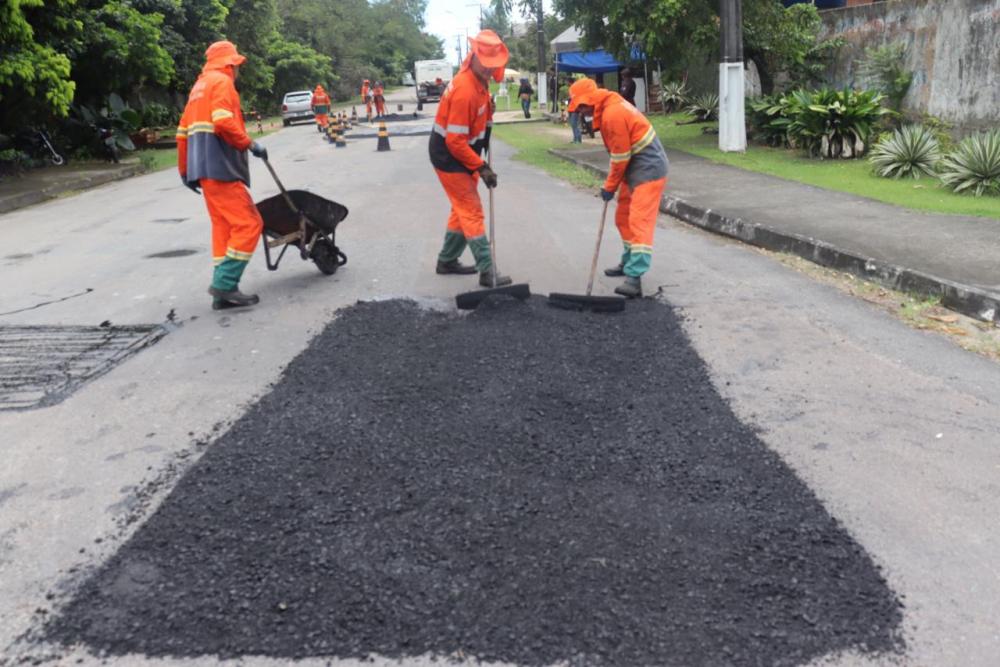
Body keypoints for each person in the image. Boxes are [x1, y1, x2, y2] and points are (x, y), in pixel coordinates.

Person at [176, 40, 269, 310]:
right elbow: (224, 121)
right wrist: (251, 144)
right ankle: (225, 285)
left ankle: (222, 297)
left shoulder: (198, 88)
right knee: (249, 224)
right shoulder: (221, 83)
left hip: (203, 172)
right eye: (237, 65)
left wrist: (185, 171)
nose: (238, 70)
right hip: (221, 169)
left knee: (224, 229)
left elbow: (181, 133)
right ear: (230, 64)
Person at [567, 78, 668, 298]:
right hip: (634, 166)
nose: (581, 111)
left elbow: (620, 156)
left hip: (648, 168)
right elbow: (621, 155)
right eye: (579, 107)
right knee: (623, 217)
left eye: (582, 106)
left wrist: (609, 186)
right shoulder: (606, 107)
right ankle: (628, 261)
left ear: (591, 100)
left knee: (639, 220)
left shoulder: (613, 113)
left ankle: (634, 278)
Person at [429, 29, 512, 287]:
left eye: (493, 66)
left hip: (464, 154)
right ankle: (487, 271)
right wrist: (481, 166)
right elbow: (454, 141)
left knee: (461, 209)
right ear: (474, 56)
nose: (490, 70)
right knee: (471, 211)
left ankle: (447, 260)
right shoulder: (465, 89)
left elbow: (477, 114)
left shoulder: (478, 81)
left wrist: (489, 109)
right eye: (486, 66)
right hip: (450, 156)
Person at [566, 77, 595, 144]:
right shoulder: (572, 88)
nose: (566, 83)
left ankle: (578, 139)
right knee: (573, 124)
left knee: (575, 124)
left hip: (575, 109)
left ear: (570, 82)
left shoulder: (575, 88)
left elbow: (576, 98)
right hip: (571, 108)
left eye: (567, 81)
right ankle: (575, 138)